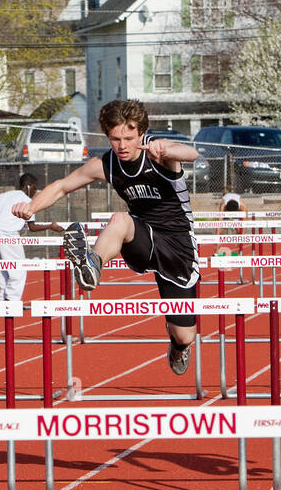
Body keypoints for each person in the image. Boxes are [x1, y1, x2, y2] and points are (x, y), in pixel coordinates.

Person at [13, 99, 202, 375]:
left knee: (186, 335)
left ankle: (177, 346)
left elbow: (192, 153)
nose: (122, 145)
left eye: (128, 137)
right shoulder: (106, 164)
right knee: (119, 220)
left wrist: (168, 147)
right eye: (115, 139)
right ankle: (92, 264)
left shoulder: (159, 153)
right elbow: (63, 186)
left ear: (141, 133)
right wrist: (30, 207)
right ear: (107, 136)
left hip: (178, 244)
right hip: (141, 236)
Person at [0, 173, 52, 301]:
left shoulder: (4, 195)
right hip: (7, 233)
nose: (35, 192)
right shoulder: (27, 201)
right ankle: (11, 300)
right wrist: (50, 226)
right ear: (28, 186)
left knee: (0, 268)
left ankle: (3, 298)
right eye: (35, 188)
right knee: (18, 269)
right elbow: (32, 227)